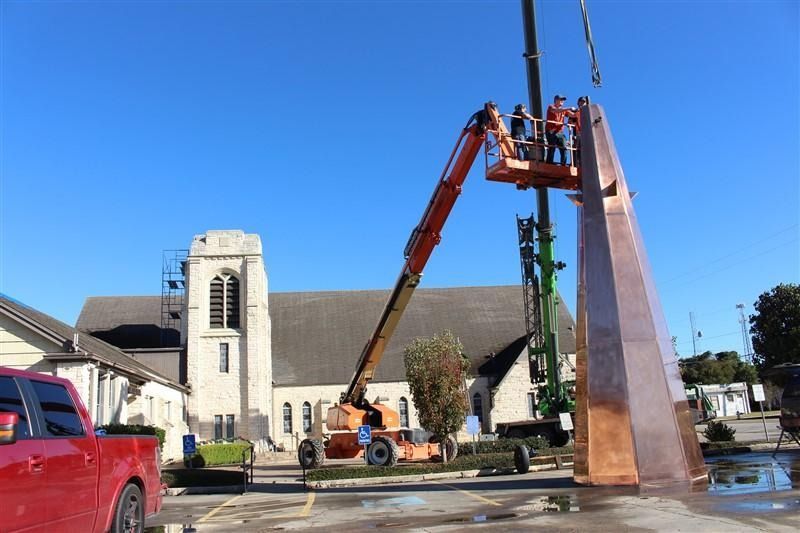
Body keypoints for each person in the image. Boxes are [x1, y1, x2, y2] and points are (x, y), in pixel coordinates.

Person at [545, 94, 576, 165]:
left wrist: (579, 111)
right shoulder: (551, 107)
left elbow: (573, 115)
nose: (562, 101)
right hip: (551, 131)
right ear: (556, 100)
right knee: (552, 147)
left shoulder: (564, 110)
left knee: (564, 148)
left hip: (559, 132)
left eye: (563, 100)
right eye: (561, 99)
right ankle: (549, 163)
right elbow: (556, 111)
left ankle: (563, 164)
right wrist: (569, 108)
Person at [569, 96, 588, 166]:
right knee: (577, 149)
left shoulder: (589, 112)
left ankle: (583, 164)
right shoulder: (576, 112)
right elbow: (570, 122)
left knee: (585, 150)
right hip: (578, 133)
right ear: (578, 103)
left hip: (586, 134)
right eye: (581, 102)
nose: (582, 104)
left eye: (584, 102)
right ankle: (576, 164)